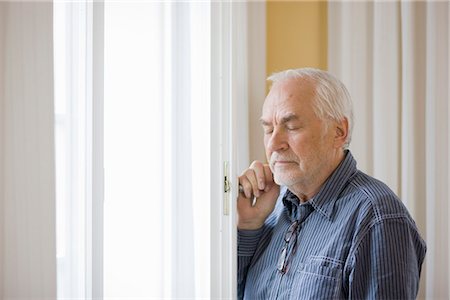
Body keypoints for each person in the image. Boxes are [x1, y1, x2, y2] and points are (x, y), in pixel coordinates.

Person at [237, 68, 426, 299]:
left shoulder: (378, 217)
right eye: (268, 129)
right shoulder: (269, 208)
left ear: (339, 131)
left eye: (292, 126)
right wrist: (249, 225)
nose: (274, 144)